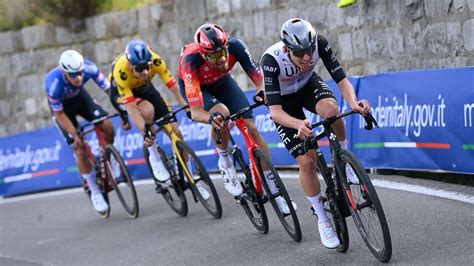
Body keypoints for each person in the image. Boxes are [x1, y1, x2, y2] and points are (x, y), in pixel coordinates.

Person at [260, 18, 371, 249]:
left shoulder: (319, 43)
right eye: (300, 53)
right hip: (284, 104)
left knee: (332, 110)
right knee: (307, 162)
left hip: (308, 86)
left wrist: (354, 102)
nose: (308, 57)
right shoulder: (271, 60)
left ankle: (345, 160)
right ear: (287, 49)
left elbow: (342, 81)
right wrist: (297, 123)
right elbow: (274, 112)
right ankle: (322, 218)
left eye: (309, 51)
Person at [178, 23, 295, 213]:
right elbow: (196, 111)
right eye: (214, 55)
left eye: (223, 51)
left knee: (252, 127)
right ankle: (225, 163)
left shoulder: (236, 47)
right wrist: (210, 118)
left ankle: (275, 190)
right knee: (221, 114)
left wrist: (262, 92)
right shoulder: (190, 61)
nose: (222, 58)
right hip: (200, 89)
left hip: (223, 82)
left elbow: (259, 79)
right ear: (203, 55)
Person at [109, 39, 209, 198]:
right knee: (147, 111)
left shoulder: (156, 60)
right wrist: (145, 130)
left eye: (147, 67)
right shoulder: (121, 72)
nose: (145, 73)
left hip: (146, 89)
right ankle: (153, 154)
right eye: (140, 69)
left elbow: (175, 88)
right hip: (123, 96)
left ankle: (191, 178)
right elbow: (132, 110)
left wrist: (189, 108)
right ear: (130, 66)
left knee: (176, 132)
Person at [45, 50, 113, 213]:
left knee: (108, 126)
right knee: (79, 147)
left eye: (80, 73)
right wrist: (75, 135)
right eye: (73, 75)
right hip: (63, 111)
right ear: (64, 72)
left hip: (80, 99)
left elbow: (110, 90)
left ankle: (110, 158)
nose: (79, 78)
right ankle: (93, 189)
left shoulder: (89, 68)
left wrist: (123, 110)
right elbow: (59, 114)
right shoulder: (53, 84)